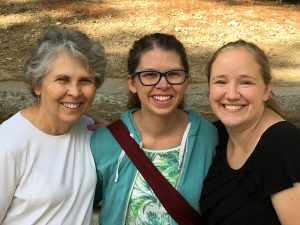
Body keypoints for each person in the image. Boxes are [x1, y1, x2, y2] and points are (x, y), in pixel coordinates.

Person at [91, 33, 218, 225]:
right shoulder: (104, 142)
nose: (163, 85)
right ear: (132, 83)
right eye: (150, 75)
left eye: (174, 74)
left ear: (186, 81)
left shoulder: (210, 138)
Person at [0, 27, 106, 224]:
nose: (74, 92)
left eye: (85, 81)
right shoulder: (7, 144)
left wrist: (116, 131)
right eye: (62, 80)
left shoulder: (91, 131)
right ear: (37, 85)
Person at [200, 39, 300, 225]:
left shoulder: (283, 144)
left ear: (266, 89)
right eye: (221, 81)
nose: (231, 94)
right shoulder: (217, 135)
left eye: (245, 82)